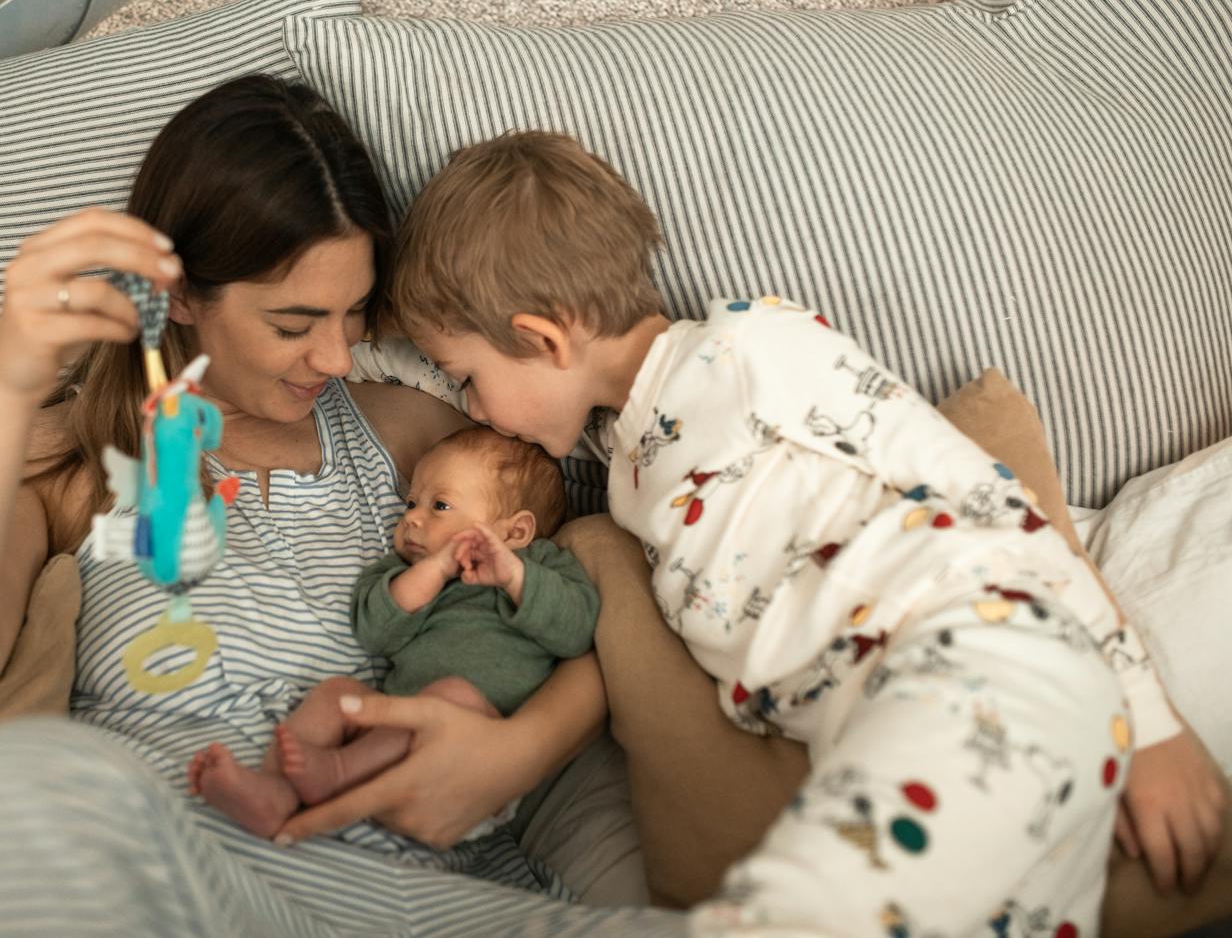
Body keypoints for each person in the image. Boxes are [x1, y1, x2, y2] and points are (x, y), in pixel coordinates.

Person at [0, 76, 688, 937]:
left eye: (357, 310)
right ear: (181, 296)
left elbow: (612, 589)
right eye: (295, 323)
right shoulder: (79, 463)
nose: (336, 355)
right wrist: (7, 382)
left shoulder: (418, 443)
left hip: (414, 894)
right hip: (173, 877)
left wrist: (524, 748)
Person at [376, 129, 1232, 936]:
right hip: (891, 729)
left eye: (469, 380)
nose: (472, 408)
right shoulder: (626, 463)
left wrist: (1150, 719)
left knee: (794, 908)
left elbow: (985, 493)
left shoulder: (748, 350)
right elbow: (418, 357)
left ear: (543, 337)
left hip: (976, 650)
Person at [189, 426, 600, 842]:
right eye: (411, 502)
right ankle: (271, 791)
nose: (412, 517)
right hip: (391, 722)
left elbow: (576, 633)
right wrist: (435, 571)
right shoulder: (404, 574)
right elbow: (375, 633)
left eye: (440, 505)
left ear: (514, 534)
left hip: (472, 757)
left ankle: (336, 771)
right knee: (336, 695)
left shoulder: (545, 568)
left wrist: (515, 578)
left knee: (454, 693)